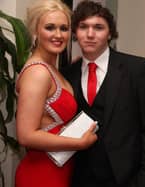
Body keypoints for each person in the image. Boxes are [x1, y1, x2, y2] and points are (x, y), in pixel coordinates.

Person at [61, 1, 145, 187]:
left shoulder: (137, 69)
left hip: (127, 178)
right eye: (83, 27)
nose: (90, 34)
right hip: (79, 177)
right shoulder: (67, 75)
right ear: (75, 32)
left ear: (109, 33)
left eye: (98, 27)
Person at [15, 0, 98, 187]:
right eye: (50, 28)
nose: (58, 35)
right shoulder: (38, 72)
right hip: (40, 174)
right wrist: (80, 144)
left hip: (60, 171)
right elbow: (26, 135)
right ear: (35, 31)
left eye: (64, 28)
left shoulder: (53, 69)